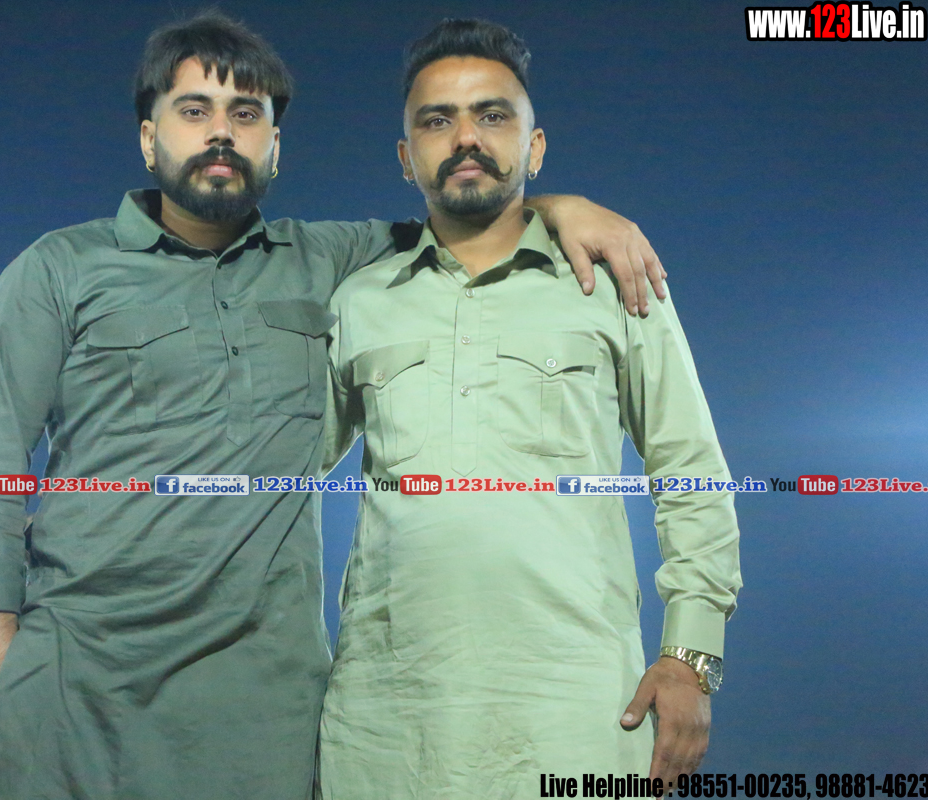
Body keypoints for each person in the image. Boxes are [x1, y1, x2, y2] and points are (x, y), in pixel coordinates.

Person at [0, 11, 667, 800]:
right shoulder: (58, 270)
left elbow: (469, 213)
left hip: (267, 711)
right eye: (194, 111)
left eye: (246, 115)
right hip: (75, 690)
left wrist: (561, 205)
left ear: (275, 146)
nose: (222, 133)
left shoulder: (332, 262)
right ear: (149, 139)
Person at [318, 19, 742, 798]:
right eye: (437, 120)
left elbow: (689, 469)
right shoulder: (357, 302)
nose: (466, 138)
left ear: (534, 145)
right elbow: (277, 476)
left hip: (579, 708)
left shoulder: (616, 282)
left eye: (493, 115)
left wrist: (690, 659)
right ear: (406, 157)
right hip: (386, 722)